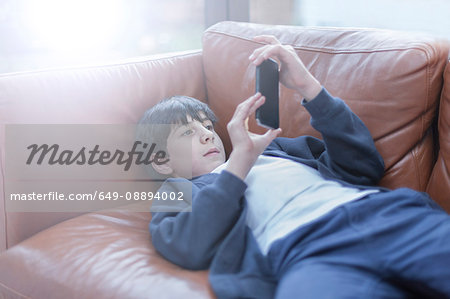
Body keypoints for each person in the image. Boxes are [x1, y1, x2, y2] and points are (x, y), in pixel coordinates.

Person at [138, 35, 450, 299]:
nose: (207, 134)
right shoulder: (178, 192)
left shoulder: (275, 150)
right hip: (307, 255)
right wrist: (238, 166)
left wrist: (307, 86)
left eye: (207, 125)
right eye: (188, 133)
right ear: (162, 161)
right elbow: (191, 246)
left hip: (380, 217)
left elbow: (363, 166)